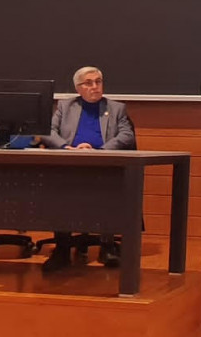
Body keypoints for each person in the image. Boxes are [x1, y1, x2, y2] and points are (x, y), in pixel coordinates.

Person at [39, 66, 136, 271]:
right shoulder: (66, 106)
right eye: (89, 83)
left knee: (109, 191)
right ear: (78, 88)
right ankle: (62, 248)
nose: (95, 86)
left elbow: (127, 135)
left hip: (104, 164)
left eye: (98, 81)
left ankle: (107, 246)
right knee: (59, 193)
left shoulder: (116, 108)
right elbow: (47, 131)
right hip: (70, 162)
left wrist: (99, 150)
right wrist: (67, 148)